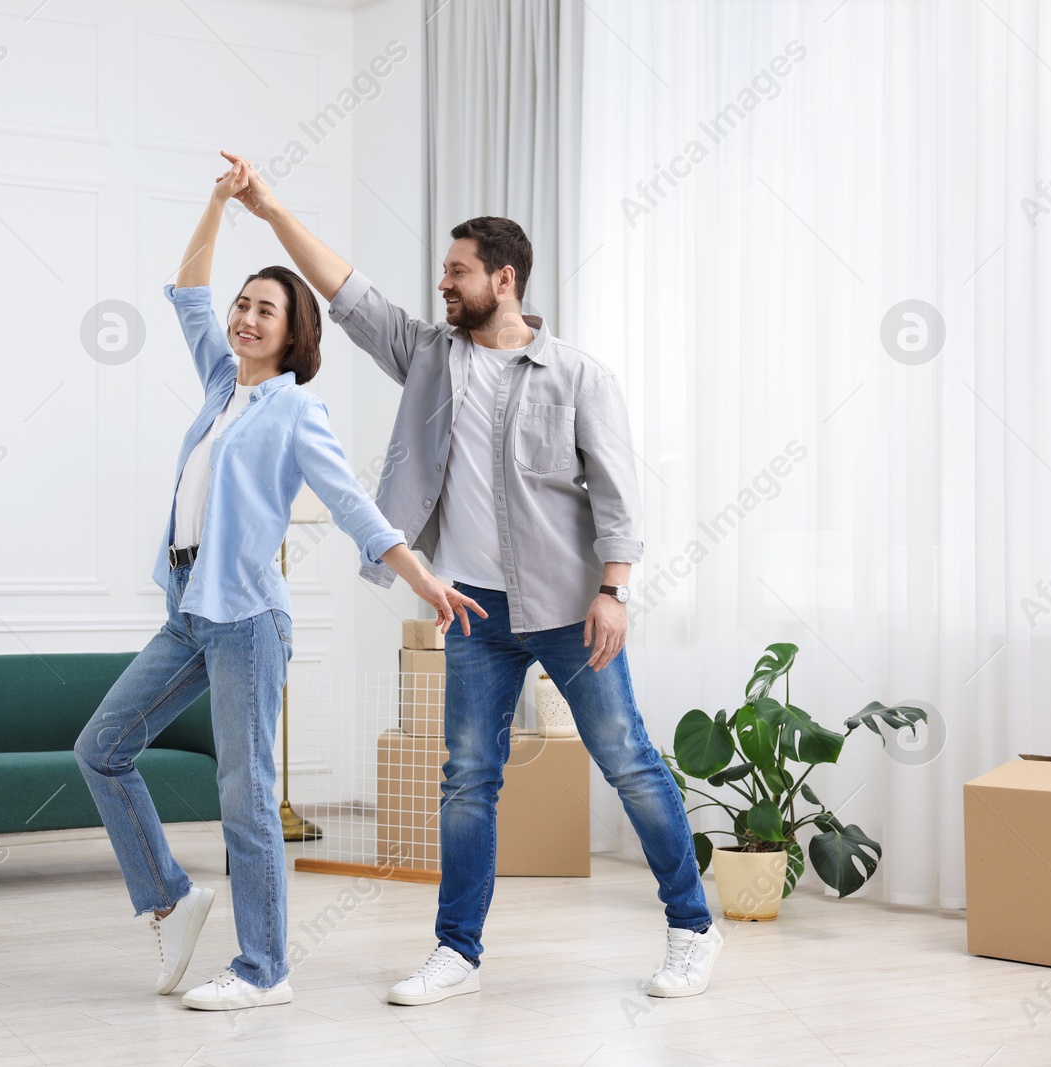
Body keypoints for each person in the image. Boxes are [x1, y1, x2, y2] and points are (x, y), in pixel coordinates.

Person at [221, 152, 722, 1005]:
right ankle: (457, 949)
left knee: (631, 761)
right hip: (472, 612)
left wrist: (615, 589)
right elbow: (347, 294)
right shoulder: (428, 356)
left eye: (457, 271)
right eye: (443, 272)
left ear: (505, 277)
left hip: (569, 609)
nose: (443, 285)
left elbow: (618, 492)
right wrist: (269, 209)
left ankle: (692, 928)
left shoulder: (579, 375)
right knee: (467, 780)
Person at [74, 154, 486, 1012]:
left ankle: (264, 968)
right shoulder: (223, 384)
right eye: (244, 304)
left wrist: (423, 577)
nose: (245, 316)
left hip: (248, 621)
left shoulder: (297, 408)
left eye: (267, 308)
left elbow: (354, 507)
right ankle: (170, 896)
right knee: (101, 748)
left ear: (295, 330)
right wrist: (220, 204)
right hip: (188, 611)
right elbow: (186, 293)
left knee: (247, 796)